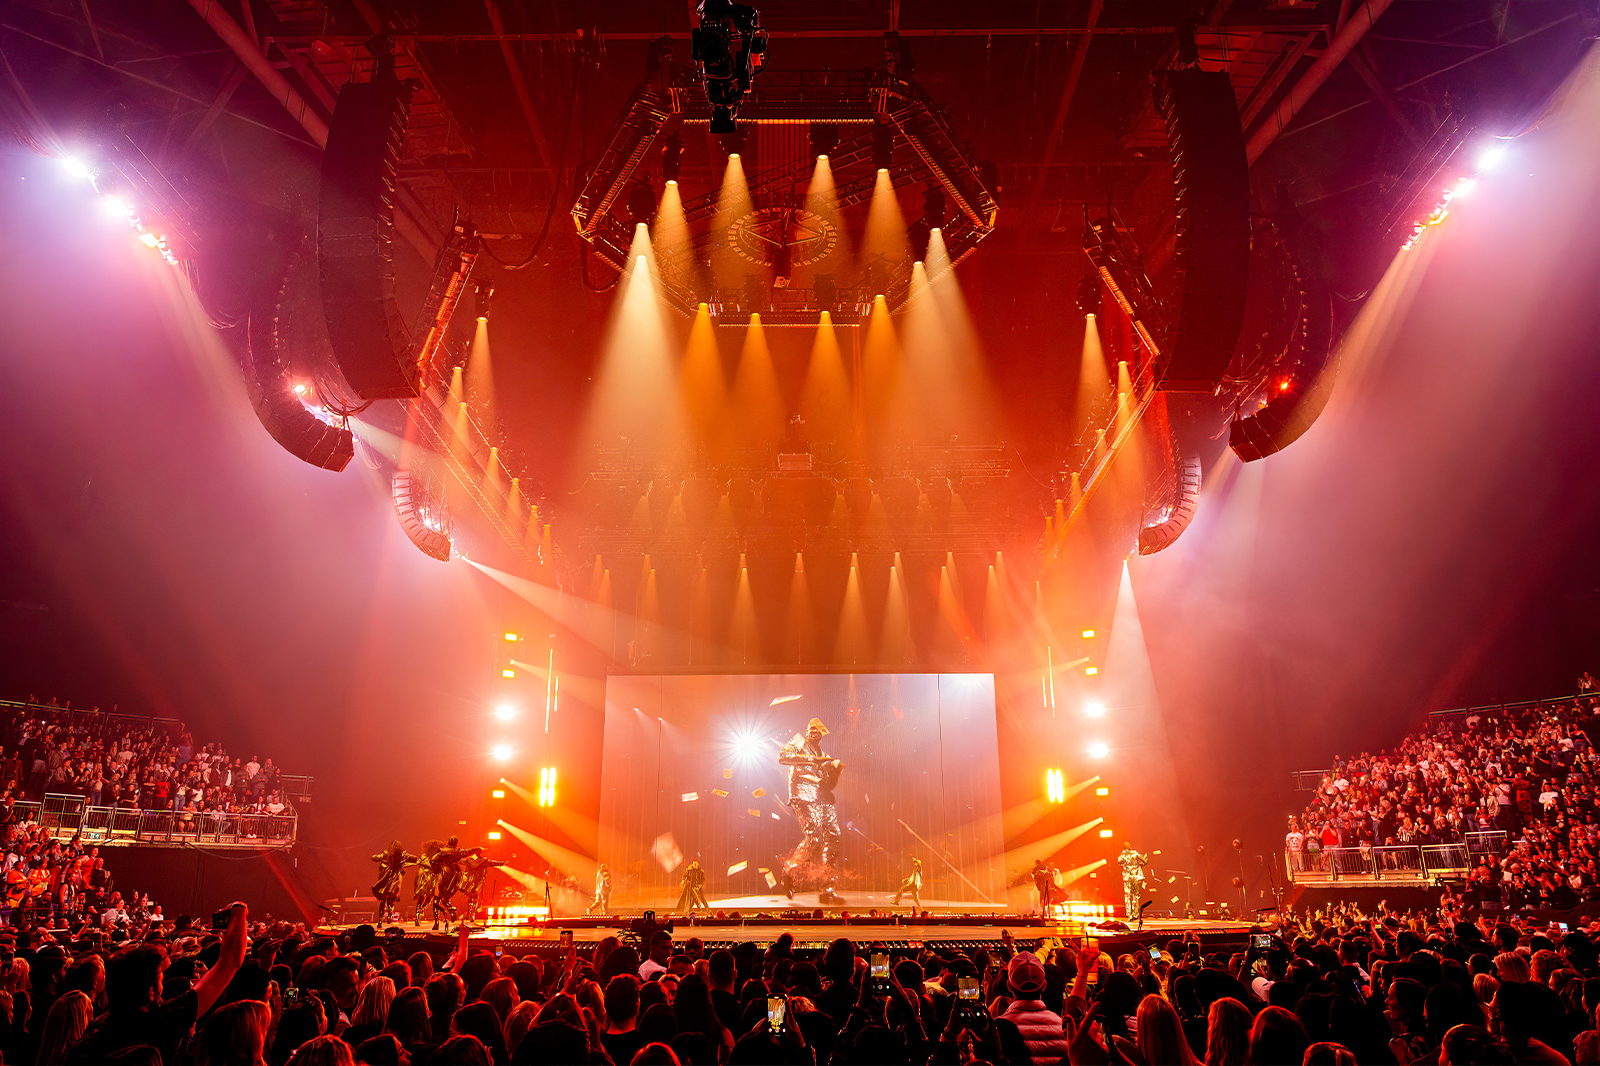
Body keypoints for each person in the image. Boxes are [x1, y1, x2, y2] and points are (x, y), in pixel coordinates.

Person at [778, 717, 845, 905]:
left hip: (822, 799)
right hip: (802, 796)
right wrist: (814, 759)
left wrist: (835, 772)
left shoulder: (823, 754)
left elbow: (828, 785)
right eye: (811, 728)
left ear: (823, 733)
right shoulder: (799, 741)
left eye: (818, 729)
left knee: (834, 837)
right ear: (807, 730)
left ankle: (828, 889)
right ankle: (790, 871)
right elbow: (783, 757)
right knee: (814, 838)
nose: (814, 731)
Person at [370, 841, 416, 927]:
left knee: (383, 900)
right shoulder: (402, 854)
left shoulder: (386, 854)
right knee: (391, 899)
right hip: (395, 880)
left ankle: (380, 920)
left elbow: (374, 857)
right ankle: (390, 914)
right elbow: (414, 858)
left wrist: (378, 859)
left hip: (386, 879)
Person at [455, 849, 505, 920]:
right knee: (475, 895)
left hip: (470, 879)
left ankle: (470, 913)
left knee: (471, 895)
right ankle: (472, 913)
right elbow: (492, 863)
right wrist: (501, 863)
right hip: (477, 880)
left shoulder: (469, 859)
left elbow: (460, 861)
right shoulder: (483, 860)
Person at [1117, 842, 1149, 925]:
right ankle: (1135, 914)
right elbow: (1145, 861)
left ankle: (1129, 914)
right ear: (1130, 847)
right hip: (1136, 877)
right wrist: (1139, 865)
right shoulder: (1135, 853)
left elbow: (1119, 862)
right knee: (1136, 895)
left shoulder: (1122, 855)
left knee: (1128, 896)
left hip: (1127, 877)